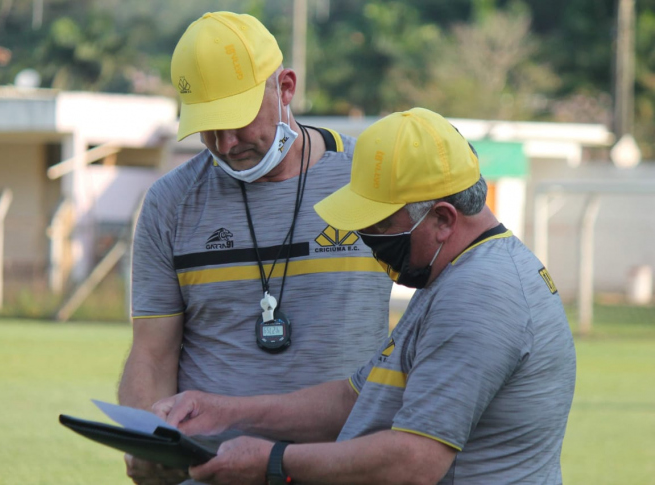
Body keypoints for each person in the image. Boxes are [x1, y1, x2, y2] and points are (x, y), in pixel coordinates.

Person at [153, 107, 577, 485]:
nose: (365, 237)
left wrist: (273, 461)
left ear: (443, 219)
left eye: (380, 222)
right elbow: (354, 398)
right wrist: (221, 411)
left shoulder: (478, 295)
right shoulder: (455, 276)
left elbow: (414, 462)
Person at [118, 11, 392, 484]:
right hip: (213, 472)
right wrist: (147, 438)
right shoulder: (170, 202)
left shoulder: (368, 180)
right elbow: (152, 353)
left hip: (345, 468)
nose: (225, 143)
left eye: (236, 119)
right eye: (207, 127)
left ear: (285, 88)